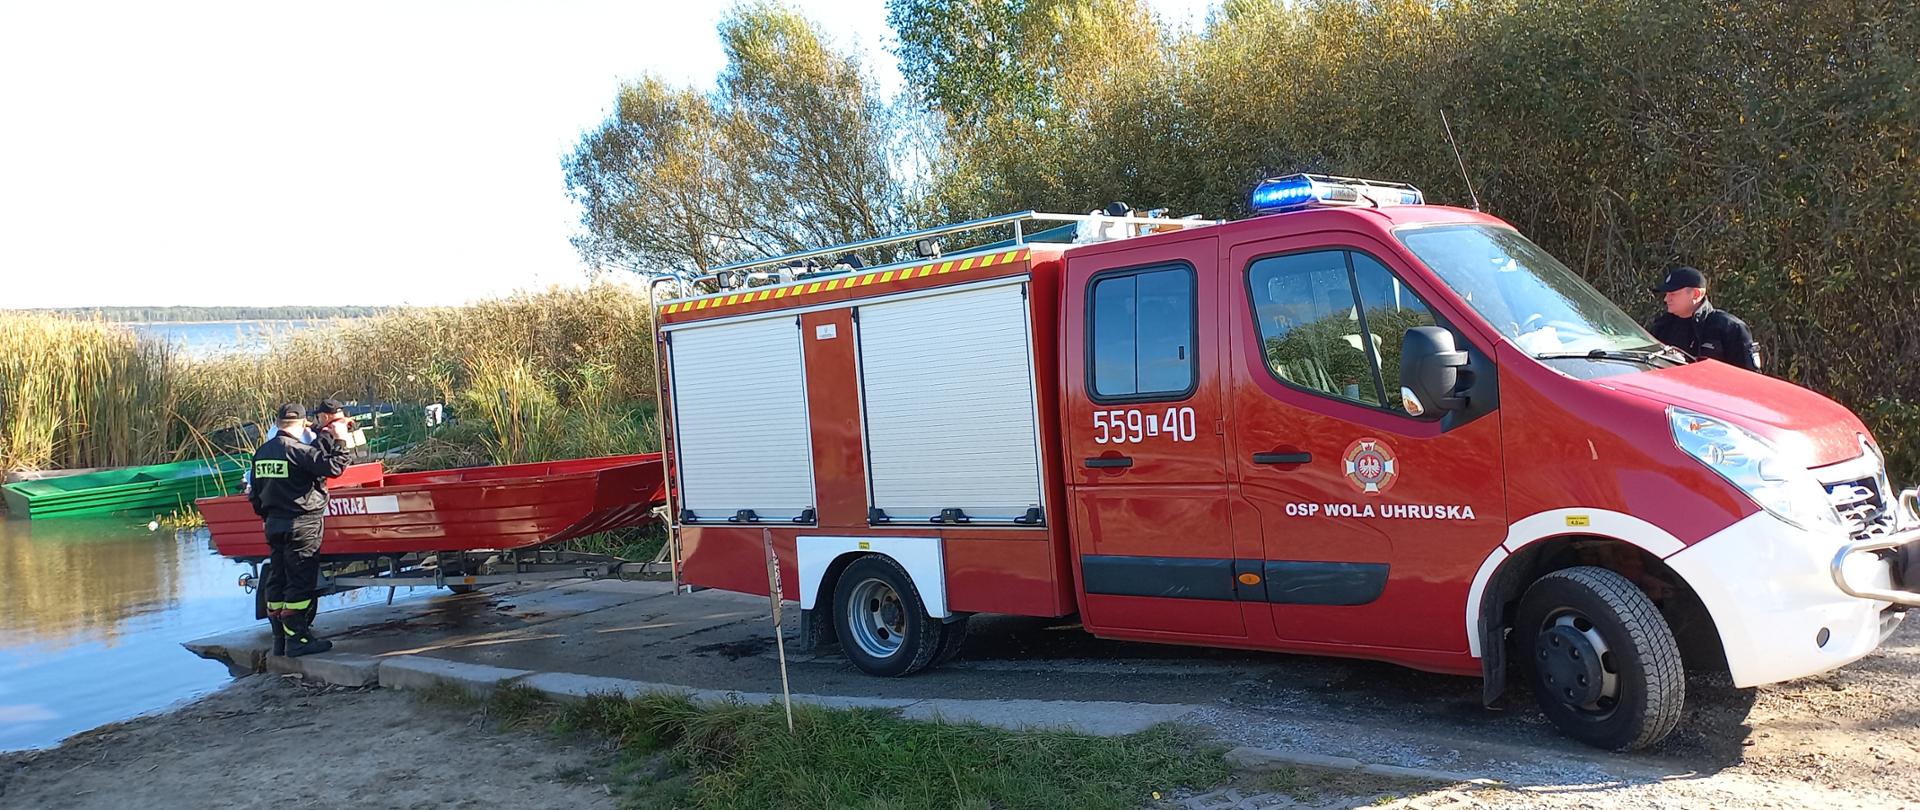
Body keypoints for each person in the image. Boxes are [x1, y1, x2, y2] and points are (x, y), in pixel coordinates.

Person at [247, 402, 351, 656]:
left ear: (278, 423)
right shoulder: (299, 451)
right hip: (302, 524)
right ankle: (299, 639)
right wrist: (340, 441)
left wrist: (268, 515)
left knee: (277, 579)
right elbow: (334, 468)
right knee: (299, 581)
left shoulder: (261, 452)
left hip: (273, 524)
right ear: (304, 424)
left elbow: (255, 495)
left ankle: (279, 639)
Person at [1648, 265, 1761, 372]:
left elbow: (1749, 379)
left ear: (1696, 294)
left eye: (1673, 294)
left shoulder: (1729, 329)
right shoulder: (1662, 326)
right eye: (1666, 294)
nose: (1666, 299)